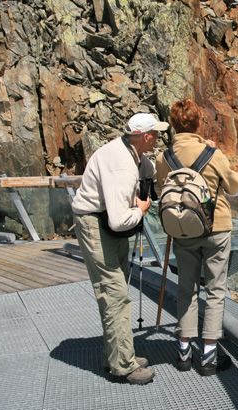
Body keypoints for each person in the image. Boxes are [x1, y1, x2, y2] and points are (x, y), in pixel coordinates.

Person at [72, 113, 169, 385]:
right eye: (156, 133)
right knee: (113, 293)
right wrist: (140, 210)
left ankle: (117, 354)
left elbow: (151, 171)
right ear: (145, 136)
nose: (159, 137)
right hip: (97, 224)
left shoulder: (133, 155)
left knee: (117, 291)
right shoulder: (122, 166)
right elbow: (118, 219)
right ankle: (123, 366)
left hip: (105, 224)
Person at [155, 99, 238, 376]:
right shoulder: (212, 154)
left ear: (174, 124)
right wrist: (216, 154)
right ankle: (208, 356)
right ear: (197, 123)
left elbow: (162, 189)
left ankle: (183, 352)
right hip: (216, 228)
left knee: (186, 289)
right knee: (215, 291)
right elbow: (235, 187)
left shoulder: (163, 158)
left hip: (183, 230)